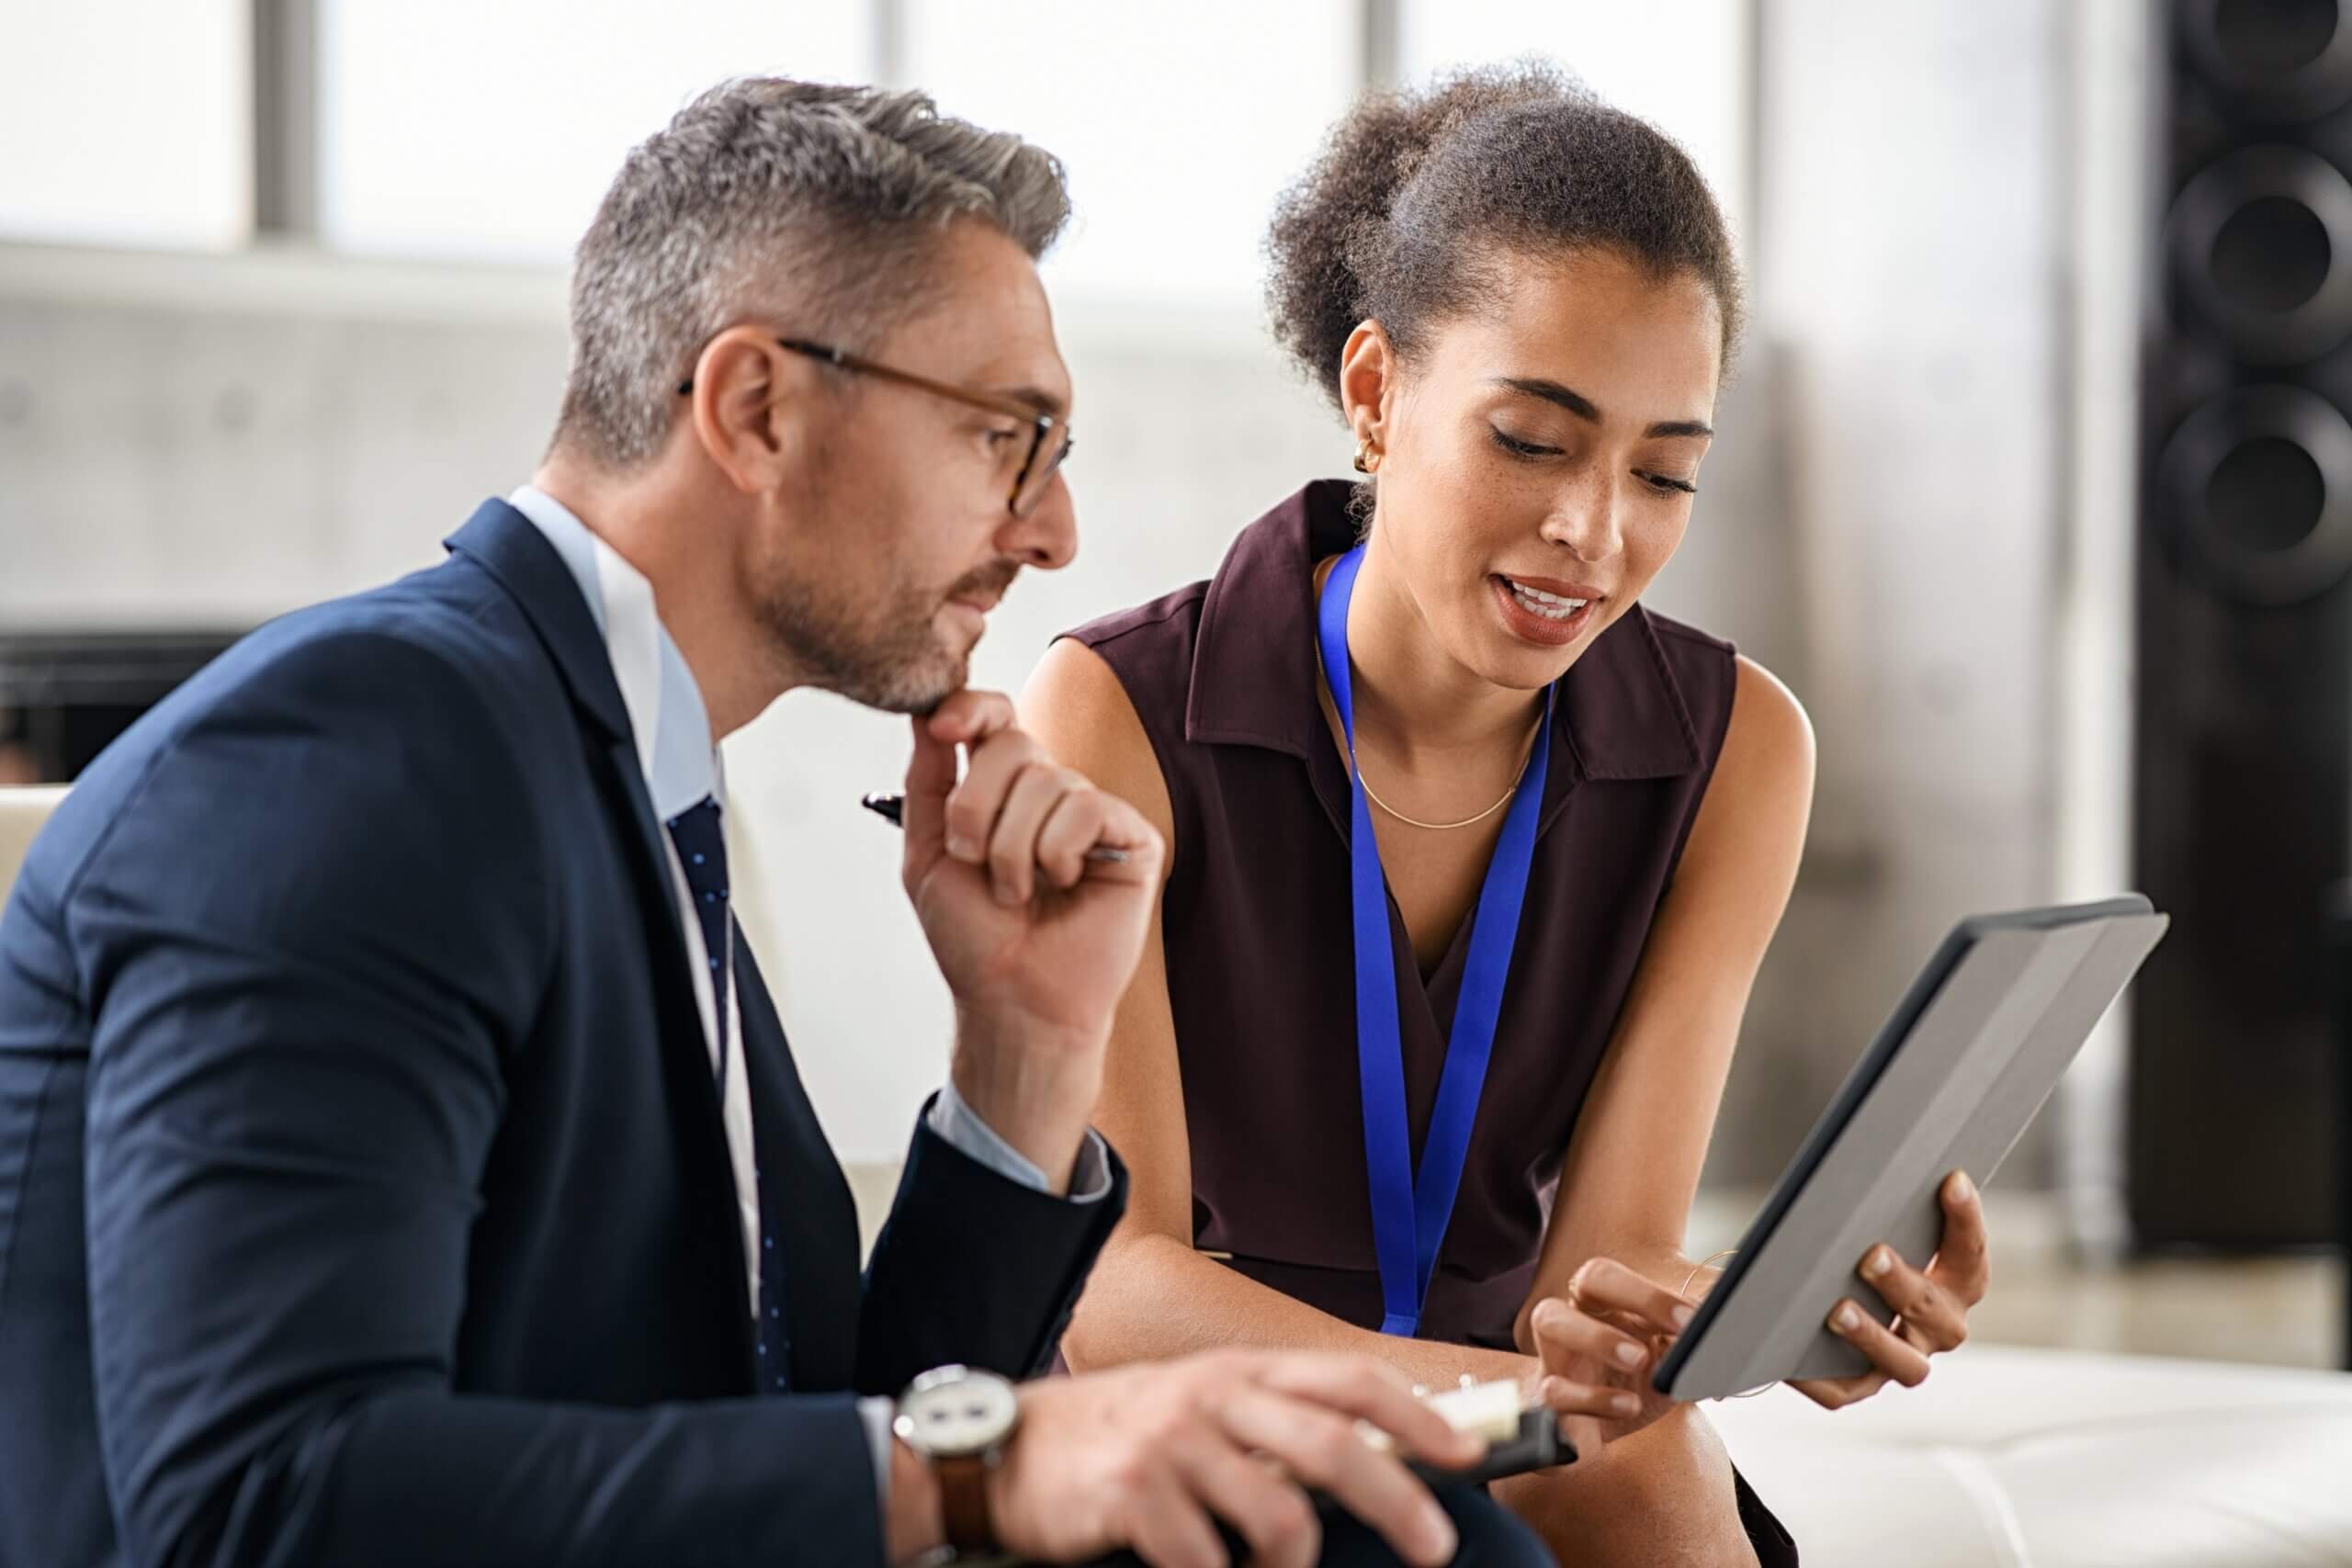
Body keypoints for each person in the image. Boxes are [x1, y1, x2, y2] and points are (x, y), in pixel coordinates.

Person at [0, 80, 1550, 1568]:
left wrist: (1017, 1068)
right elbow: (260, 1501)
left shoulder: (629, 772)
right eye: (1007, 435)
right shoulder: (357, 753)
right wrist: (1004, 1460)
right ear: (754, 407)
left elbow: (805, 1436)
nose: (1054, 529)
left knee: (1373, 1518)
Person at [1022, 65, 1994, 1565]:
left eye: (1665, 473)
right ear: (1375, 391)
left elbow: (1595, 1279)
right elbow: (1118, 1291)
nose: (1593, 535)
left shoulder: (1734, 749)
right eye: (1533, 442)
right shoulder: (1114, 709)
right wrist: (1526, 1396)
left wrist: (1752, 1312)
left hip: (1516, 1414)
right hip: (1187, 1420)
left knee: (1643, 1484)